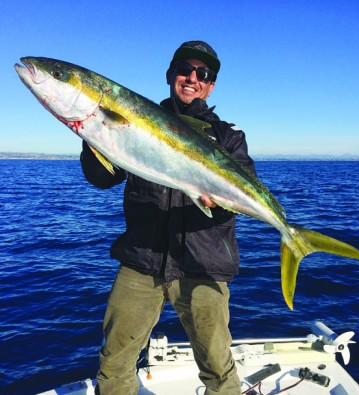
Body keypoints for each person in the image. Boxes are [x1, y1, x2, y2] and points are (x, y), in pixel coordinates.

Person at [80, 40, 256, 395]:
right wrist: (92, 134)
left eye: (203, 74)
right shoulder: (133, 119)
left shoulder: (229, 137)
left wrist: (220, 201)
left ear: (211, 84)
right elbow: (101, 179)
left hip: (202, 263)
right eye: (184, 70)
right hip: (141, 260)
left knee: (219, 370)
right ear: (169, 74)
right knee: (114, 364)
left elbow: (242, 192)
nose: (192, 78)